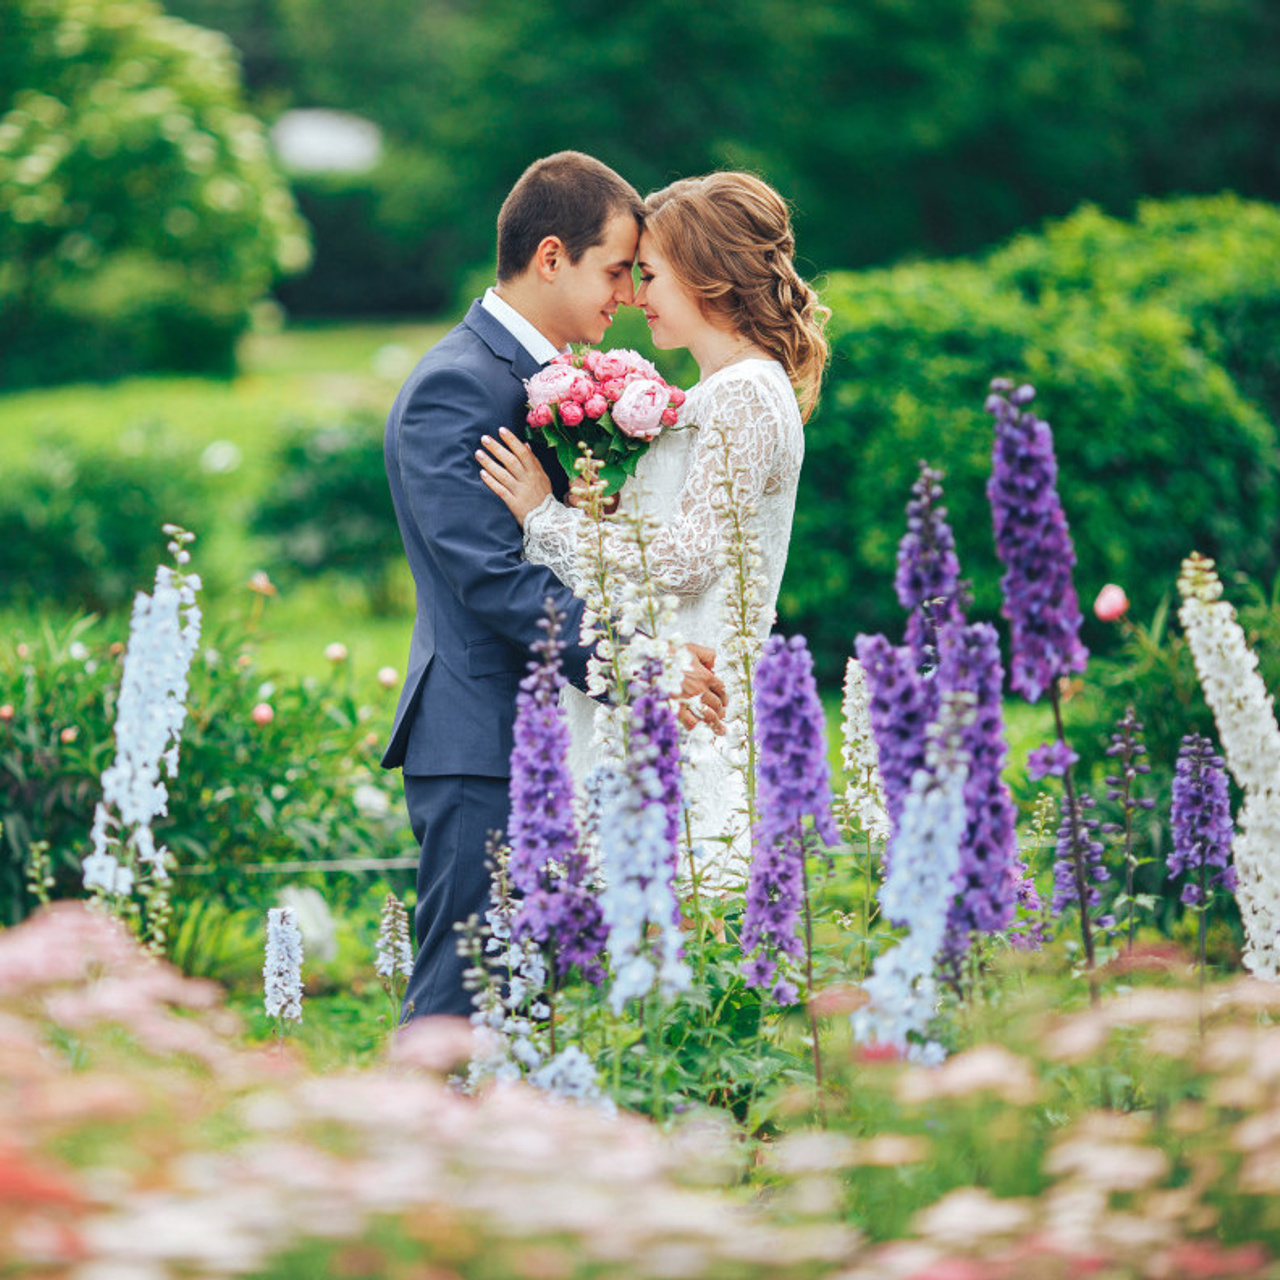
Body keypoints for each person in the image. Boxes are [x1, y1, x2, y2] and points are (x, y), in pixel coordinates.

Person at [382, 152, 725, 1021]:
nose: (627, 295)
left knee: (530, 1012)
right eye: (615, 270)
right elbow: (495, 582)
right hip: (483, 744)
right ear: (549, 257)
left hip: (551, 743)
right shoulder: (458, 386)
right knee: (459, 1009)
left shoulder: (545, 380)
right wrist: (640, 661)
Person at [478, 171, 829, 887]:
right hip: (654, 689)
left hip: (695, 699)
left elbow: (686, 558)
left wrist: (545, 519)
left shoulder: (749, 397)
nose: (637, 297)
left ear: (710, 275)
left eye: (652, 275)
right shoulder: (714, 394)